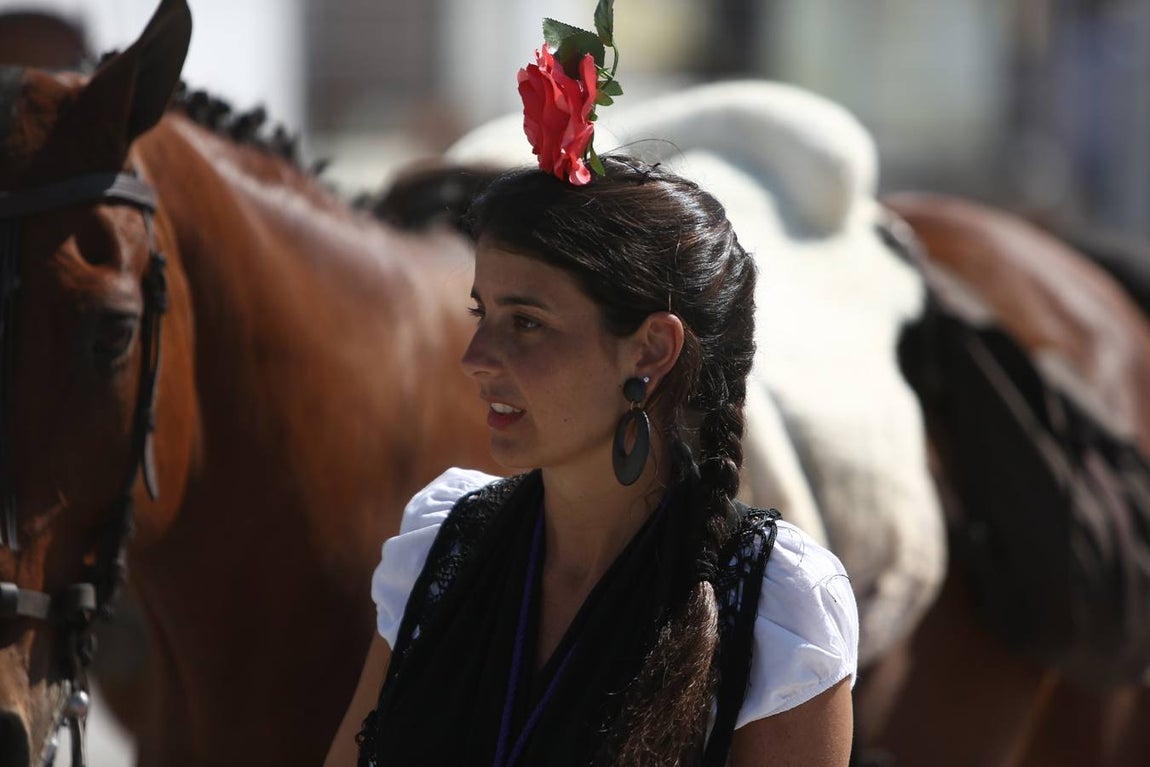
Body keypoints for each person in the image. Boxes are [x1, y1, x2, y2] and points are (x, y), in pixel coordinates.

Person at [325, 9, 857, 765]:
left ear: (651, 350)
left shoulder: (774, 607)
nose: (476, 357)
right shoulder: (438, 550)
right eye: (482, 313)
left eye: (527, 322)